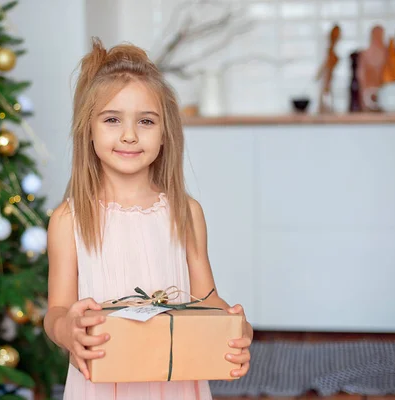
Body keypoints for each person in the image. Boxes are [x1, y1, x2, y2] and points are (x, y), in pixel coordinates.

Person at [43, 37, 253, 400]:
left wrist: (237, 327)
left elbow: (206, 298)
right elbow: (56, 312)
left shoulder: (185, 212)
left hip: (175, 380)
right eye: (112, 119)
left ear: (164, 133)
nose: (129, 135)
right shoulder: (68, 220)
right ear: (88, 130)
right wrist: (68, 329)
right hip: (101, 383)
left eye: (146, 121)